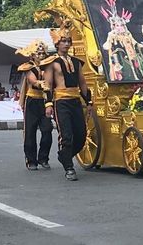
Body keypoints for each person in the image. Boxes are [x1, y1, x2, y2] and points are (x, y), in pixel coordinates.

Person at [44, 23, 92, 181]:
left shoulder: (77, 62)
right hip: (61, 101)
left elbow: (83, 84)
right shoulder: (52, 63)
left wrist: (89, 102)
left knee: (82, 135)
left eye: (68, 41)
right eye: (63, 41)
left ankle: (65, 156)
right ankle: (69, 167)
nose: (66, 44)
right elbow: (48, 85)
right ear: (57, 44)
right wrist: (48, 104)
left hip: (75, 100)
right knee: (66, 135)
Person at [16, 40, 54, 171]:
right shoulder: (29, 67)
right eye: (38, 53)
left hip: (45, 101)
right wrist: (40, 83)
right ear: (32, 55)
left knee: (47, 129)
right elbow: (32, 80)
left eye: (43, 52)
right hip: (32, 100)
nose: (41, 55)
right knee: (30, 132)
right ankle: (31, 160)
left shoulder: (49, 66)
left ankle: (43, 158)